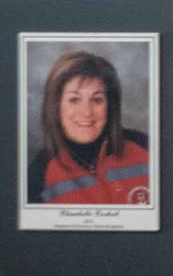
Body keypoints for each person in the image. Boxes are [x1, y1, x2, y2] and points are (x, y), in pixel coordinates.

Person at [29, 51, 150, 206]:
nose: (87, 112)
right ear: (56, 106)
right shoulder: (39, 172)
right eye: (74, 100)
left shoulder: (145, 147)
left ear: (110, 106)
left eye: (97, 100)